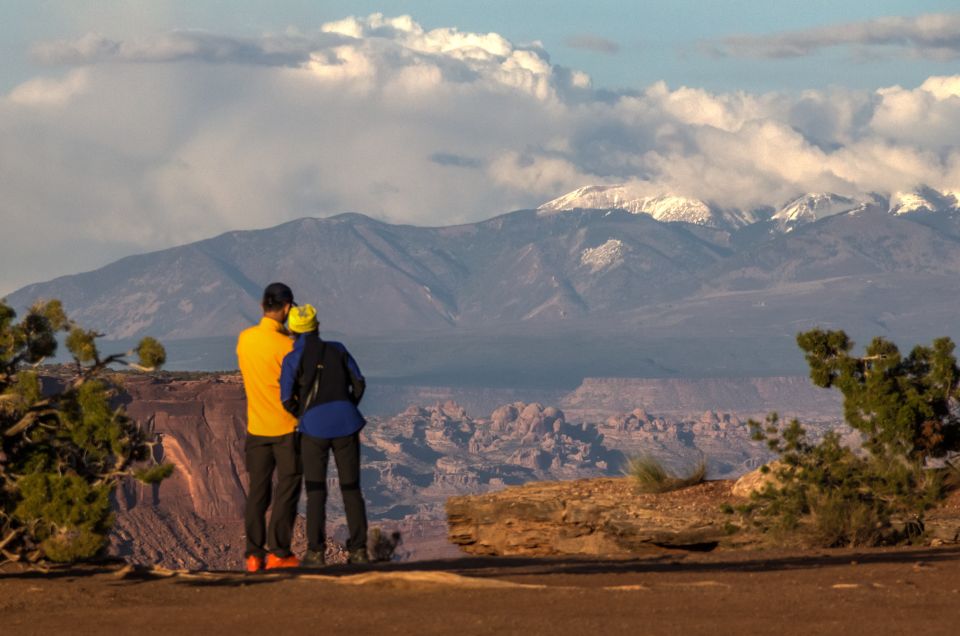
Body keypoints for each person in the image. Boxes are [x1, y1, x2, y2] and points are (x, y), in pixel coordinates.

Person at [280, 303, 369, 566]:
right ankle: (359, 550)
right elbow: (359, 382)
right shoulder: (338, 349)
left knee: (316, 490)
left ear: (292, 331)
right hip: (347, 425)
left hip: (313, 430)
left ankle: (316, 552)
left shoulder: (292, 359)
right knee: (351, 488)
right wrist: (348, 406)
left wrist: (303, 415)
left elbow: (286, 398)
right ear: (317, 326)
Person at [236, 282, 302, 572]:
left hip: (257, 429)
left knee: (257, 493)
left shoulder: (245, 339)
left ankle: (253, 554)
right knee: (286, 490)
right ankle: (278, 552)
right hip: (287, 429)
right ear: (287, 307)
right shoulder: (289, 346)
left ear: (263, 305)